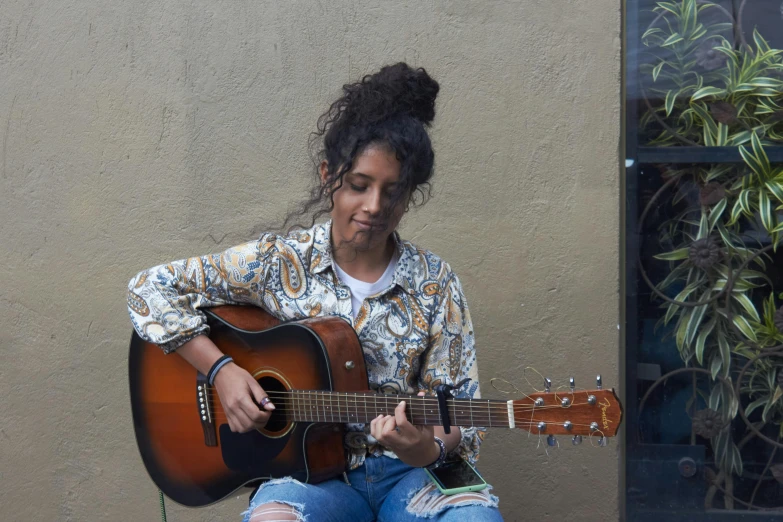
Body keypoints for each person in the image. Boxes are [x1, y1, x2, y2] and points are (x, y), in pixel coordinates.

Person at [127, 62, 502, 522]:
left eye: (393, 191)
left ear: (409, 197)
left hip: (409, 477)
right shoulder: (278, 262)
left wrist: (426, 447)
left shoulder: (436, 282)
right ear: (329, 176)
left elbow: (461, 409)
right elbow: (150, 288)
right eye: (359, 186)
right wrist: (222, 371)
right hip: (305, 478)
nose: (374, 206)